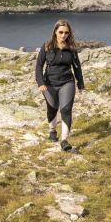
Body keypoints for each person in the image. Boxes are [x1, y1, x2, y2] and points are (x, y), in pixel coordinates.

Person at [35, 19, 85, 151]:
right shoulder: (47, 46)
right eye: (61, 32)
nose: (63, 35)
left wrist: (80, 83)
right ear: (55, 32)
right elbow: (39, 66)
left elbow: (77, 67)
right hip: (49, 84)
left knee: (65, 110)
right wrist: (40, 83)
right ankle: (52, 131)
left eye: (66, 33)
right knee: (52, 108)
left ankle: (64, 140)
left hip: (67, 82)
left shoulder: (72, 49)